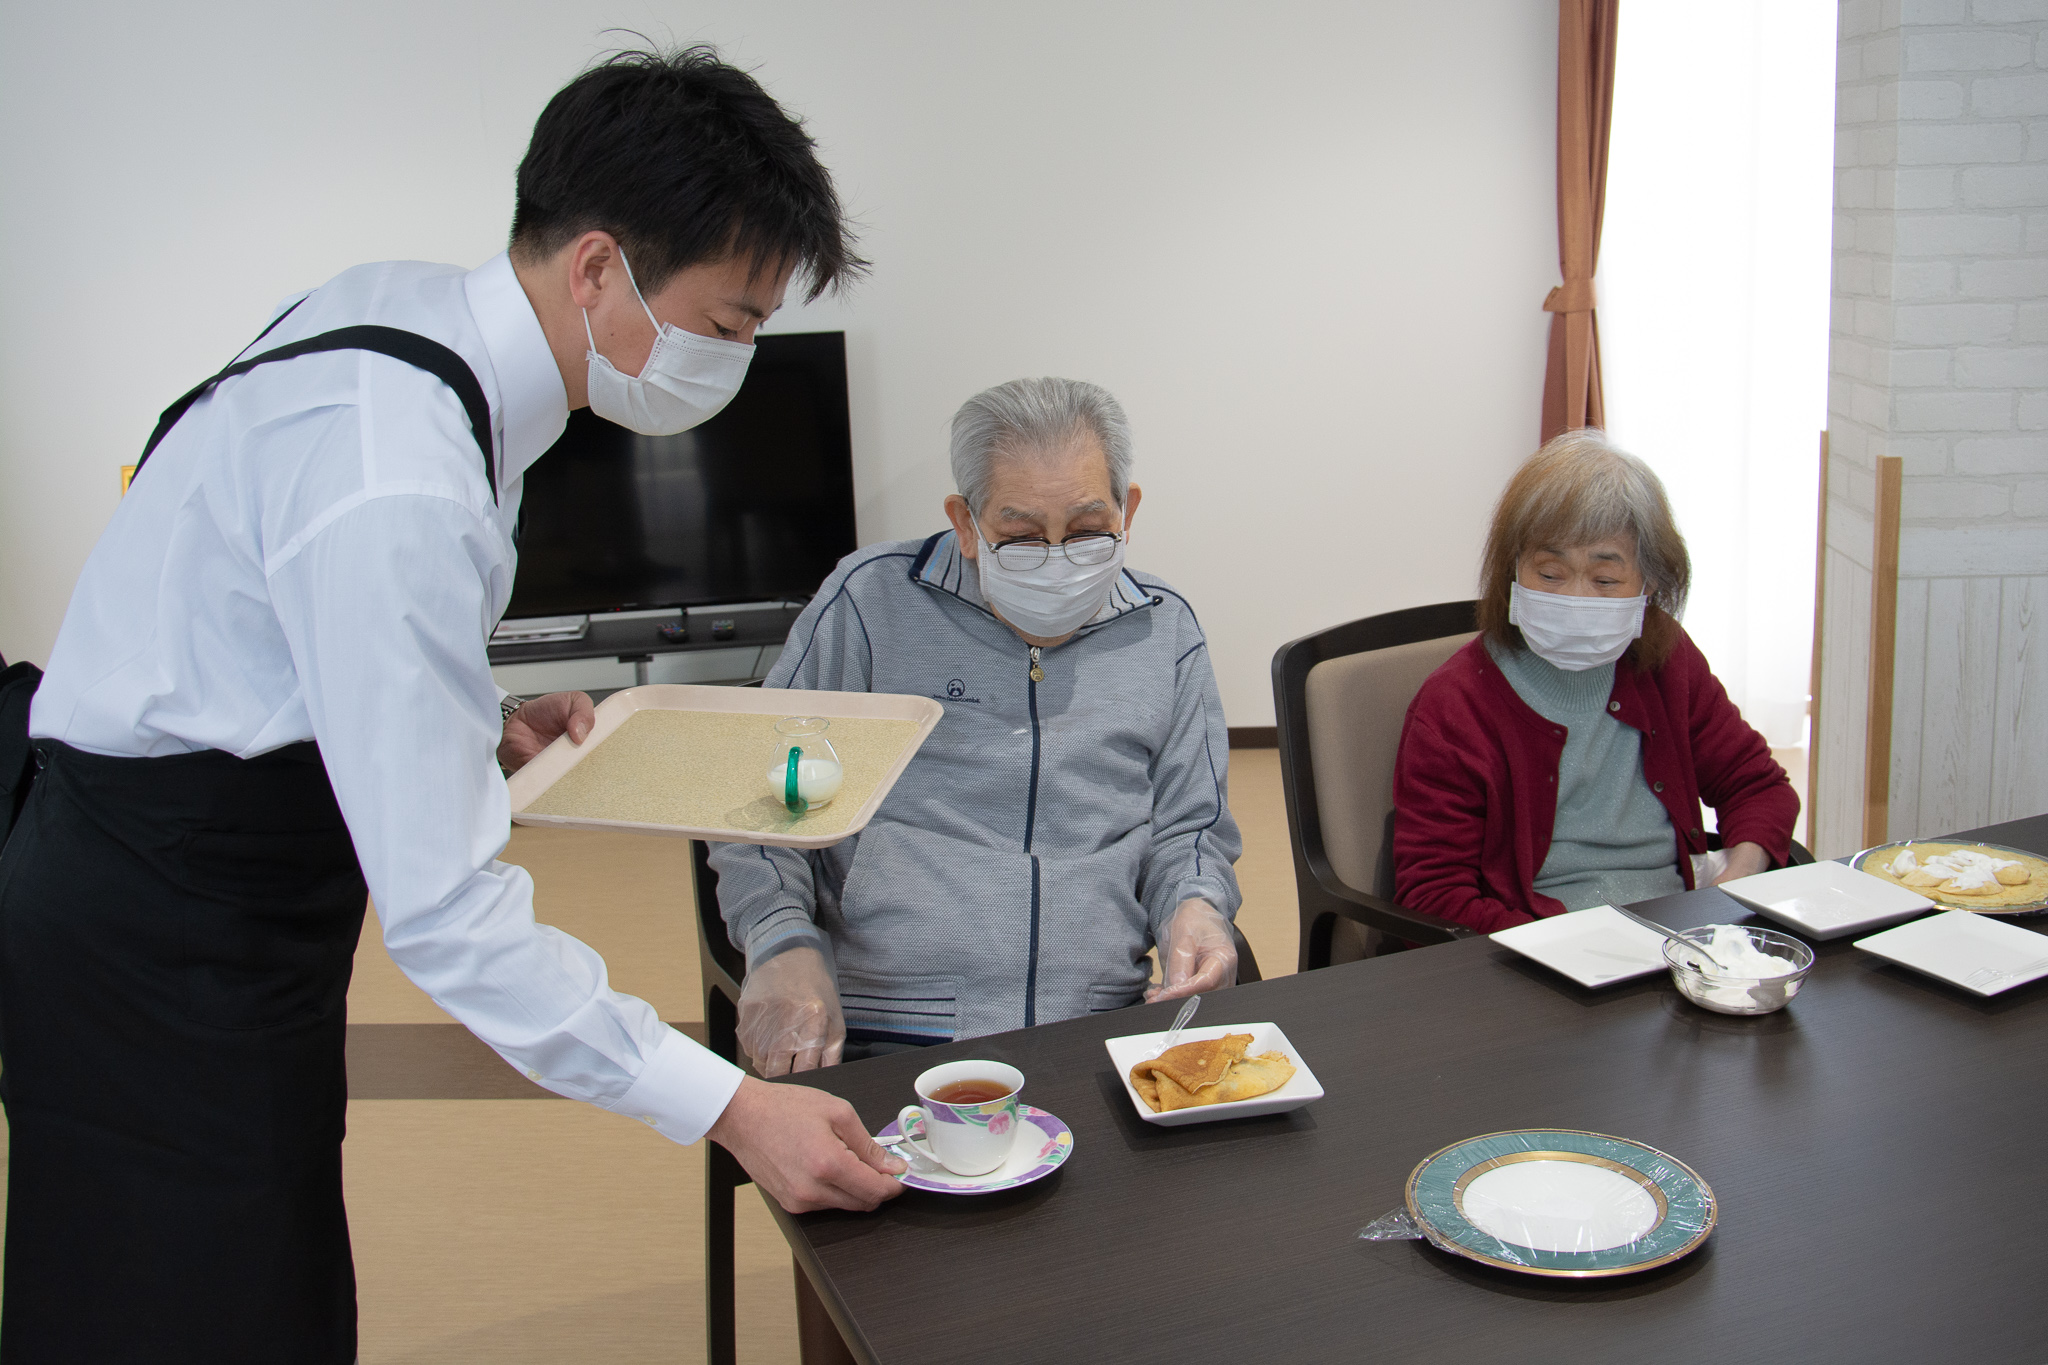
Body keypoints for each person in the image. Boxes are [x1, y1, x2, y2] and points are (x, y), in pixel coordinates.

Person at [0, 47, 905, 1364]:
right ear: (598, 266)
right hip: (156, 936)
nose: (734, 362)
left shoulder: (411, 320)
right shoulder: (402, 474)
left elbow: (280, 613)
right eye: (727, 324)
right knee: (198, 1307)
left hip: (183, 870)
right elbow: (451, 923)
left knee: (258, 1274)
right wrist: (724, 1104)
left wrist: (459, 721)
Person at [710, 377, 1244, 1076]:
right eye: (1021, 538)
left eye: (1086, 531)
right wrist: (782, 940)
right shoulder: (870, 602)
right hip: (883, 1027)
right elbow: (761, 791)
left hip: (1097, 1022)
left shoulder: (1164, 629)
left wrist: (1197, 907)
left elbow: (1191, 827)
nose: (1056, 561)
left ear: (1127, 509)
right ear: (966, 523)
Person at [1391, 429, 1799, 933]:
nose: (1578, 599)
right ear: (1512, 572)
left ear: (1648, 584)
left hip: (1679, 930)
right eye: (1550, 573)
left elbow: (1758, 786)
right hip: (1537, 945)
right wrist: (1558, 946)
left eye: (1605, 580)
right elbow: (1432, 894)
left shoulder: (1665, 658)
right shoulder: (1455, 704)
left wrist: (1736, 879)